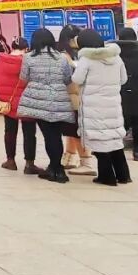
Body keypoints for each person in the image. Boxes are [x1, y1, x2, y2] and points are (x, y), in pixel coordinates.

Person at [17, 29, 76, 184]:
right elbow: (68, 79)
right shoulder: (62, 57)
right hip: (59, 99)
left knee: (48, 135)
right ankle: (56, 168)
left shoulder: (29, 57)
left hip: (38, 101)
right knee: (55, 135)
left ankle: (55, 169)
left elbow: (24, 77)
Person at [73, 30, 130, 186]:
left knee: (99, 142)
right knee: (114, 141)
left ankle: (107, 177)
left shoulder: (86, 59)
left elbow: (77, 79)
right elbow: (123, 79)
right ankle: (123, 175)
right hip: (113, 106)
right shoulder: (116, 57)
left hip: (94, 107)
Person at [0, 37, 39, 173]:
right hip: (27, 102)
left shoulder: (1, 61)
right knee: (29, 133)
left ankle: (10, 161)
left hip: (7, 103)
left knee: (9, 131)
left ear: (12, 47)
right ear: (26, 49)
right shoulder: (29, 62)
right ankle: (29, 164)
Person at [58, 24, 94, 175]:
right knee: (71, 130)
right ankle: (69, 157)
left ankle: (86, 162)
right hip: (75, 98)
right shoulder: (69, 55)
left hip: (76, 98)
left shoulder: (70, 55)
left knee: (76, 131)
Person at [115, 27, 138, 162]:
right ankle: (137, 152)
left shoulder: (115, 55)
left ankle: (116, 151)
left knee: (121, 123)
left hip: (120, 92)